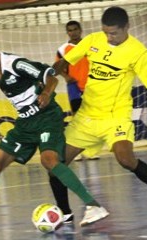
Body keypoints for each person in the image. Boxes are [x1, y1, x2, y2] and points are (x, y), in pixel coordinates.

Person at [0, 32, 109, 238]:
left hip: (46, 118)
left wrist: (45, 92)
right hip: (25, 125)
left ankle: (94, 206)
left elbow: (50, 76)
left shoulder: (16, 64)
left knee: (49, 160)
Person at [50, 6, 147, 223]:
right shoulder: (92, 40)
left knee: (126, 159)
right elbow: (64, 62)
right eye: (106, 32)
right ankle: (66, 215)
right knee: (55, 164)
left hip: (115, 117)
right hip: (87, 116)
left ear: (127, 27)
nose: (109, 37)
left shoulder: (138, 52)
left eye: (114, 33)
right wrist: (51, 73)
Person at [56, 20, 99, 161]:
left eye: (75, 29)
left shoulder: (91, 45)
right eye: (70, 30)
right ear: (67, 32)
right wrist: (66, 76)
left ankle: (91, 150)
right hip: (74, 87)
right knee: (78, 119)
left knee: (93, 118)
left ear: (80, 30)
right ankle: (77, 151)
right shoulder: (63, 49)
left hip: (91, 86)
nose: (73, 32)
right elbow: (57, 67)